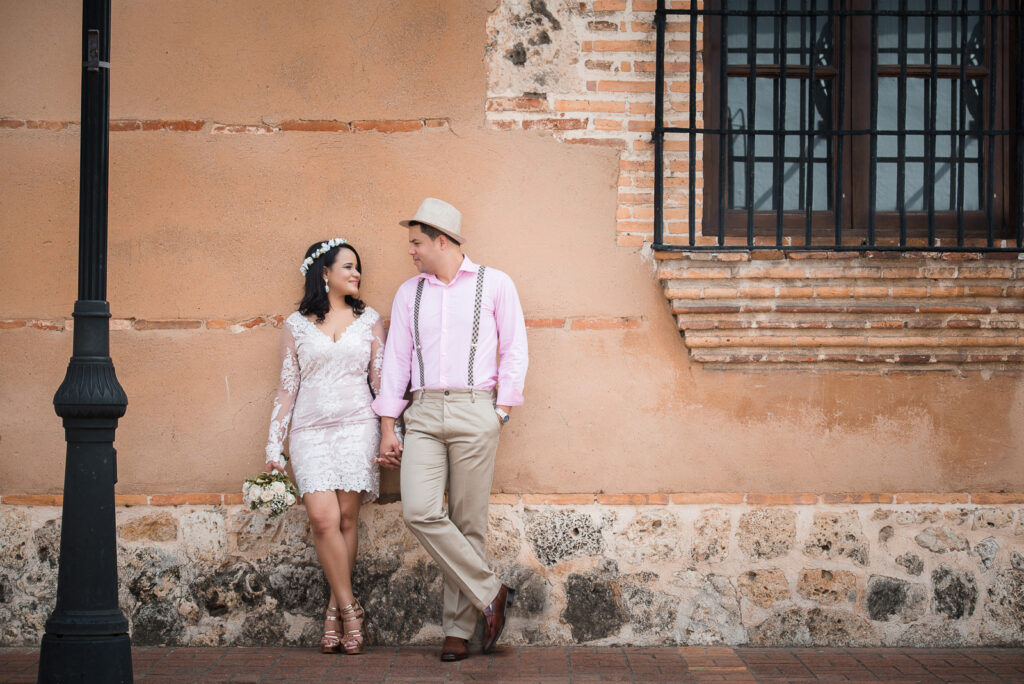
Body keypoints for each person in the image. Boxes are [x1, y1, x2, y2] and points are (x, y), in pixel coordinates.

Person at [373, 198, 528, 662]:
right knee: (419, 510)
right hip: (422, 414)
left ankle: (459, 632)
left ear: (442, 240)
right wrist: (388, 425)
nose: (412, 251)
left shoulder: (495, 284)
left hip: (475, 410)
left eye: (417, 242)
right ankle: (491, 592)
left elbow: (515, 350)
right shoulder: (408, 293)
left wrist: (499, 412)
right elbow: (397, 361)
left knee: (468, 522)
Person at [264, 238, 384, 655]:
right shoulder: (296, 325)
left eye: (358, 268)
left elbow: (380, 383)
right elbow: (286, 388)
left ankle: (334, 610)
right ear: (324, 273)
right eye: (348, 267)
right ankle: (352, 609)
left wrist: (391, 432)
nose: (356, 274)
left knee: (348, 519)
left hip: (357, 425)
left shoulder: (370, 320)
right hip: (309, 430)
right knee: (322, 519)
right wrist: (273, 449)